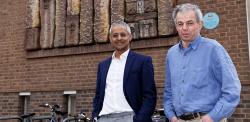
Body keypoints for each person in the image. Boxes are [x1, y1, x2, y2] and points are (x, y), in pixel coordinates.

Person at [163, 3, 241, 122]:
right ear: (176, 26)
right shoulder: (171, 54)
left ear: (200, 25)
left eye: (190, 23)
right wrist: (171, 116)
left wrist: (214, 116)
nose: (184, 28)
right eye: (180, 24)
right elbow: (169, 90)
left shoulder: (214, 49)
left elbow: (232, 89)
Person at [92, 21, 157, 122]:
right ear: (110, 39)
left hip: (130, 117)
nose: (119, 38)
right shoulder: (103, 65)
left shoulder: (143, 61)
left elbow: (150, 95)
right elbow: (98, 95)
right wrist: (95, 117)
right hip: (104, 118)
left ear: (130, 37)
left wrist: (139, 119)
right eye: (115, 35)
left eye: (123, 35)